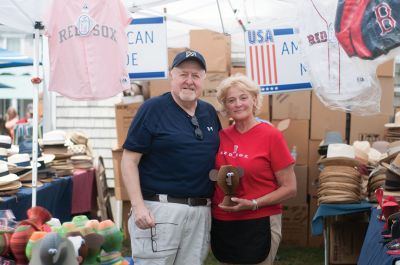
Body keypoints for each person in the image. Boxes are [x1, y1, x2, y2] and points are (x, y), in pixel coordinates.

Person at [121, 50, 221, 265]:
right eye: (183, 74)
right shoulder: (152, 109)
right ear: (171, 76)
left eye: (196, 76)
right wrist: (138, 206)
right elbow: (129, 160)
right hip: (159, 212)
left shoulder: (209, 112)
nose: (189, 81)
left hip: (200, 212)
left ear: (203, 79)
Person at [211, 74, 297, 265]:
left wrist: (254, 203)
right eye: (231, 100)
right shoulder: (220, 137)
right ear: (225, 106)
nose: (238, 104)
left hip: (259, 220)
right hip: (223, 220)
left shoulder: (270, 135)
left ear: (254, 100)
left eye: (243, 97)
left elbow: (290, 188)